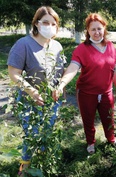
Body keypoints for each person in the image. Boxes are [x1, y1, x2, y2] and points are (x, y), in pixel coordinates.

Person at [7, 6, 66, 176]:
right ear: (36, 23)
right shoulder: (24, 44)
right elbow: (13, 73)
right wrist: (32, 91)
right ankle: (23, 169)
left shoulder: (56, 46)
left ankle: (41, 163)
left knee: (47, 132)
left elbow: (59, 71)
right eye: (45, 22)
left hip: (51, 101)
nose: (49, 26)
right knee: (31, 134)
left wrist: (59, 88)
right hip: (29, 101)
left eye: (53, 23)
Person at [53, 13, 116, 154]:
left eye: (99, 28)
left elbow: (114, 68)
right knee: (88, 120)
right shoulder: (82, 49)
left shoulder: (111, 47)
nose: (96, 32)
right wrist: (61, 84)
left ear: (104, 28)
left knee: (109, 118)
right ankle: (90, 142)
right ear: (88, 31)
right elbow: (73, 67)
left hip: (106, 92)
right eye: (93, 29)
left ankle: (111, 139)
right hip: (86, 93)